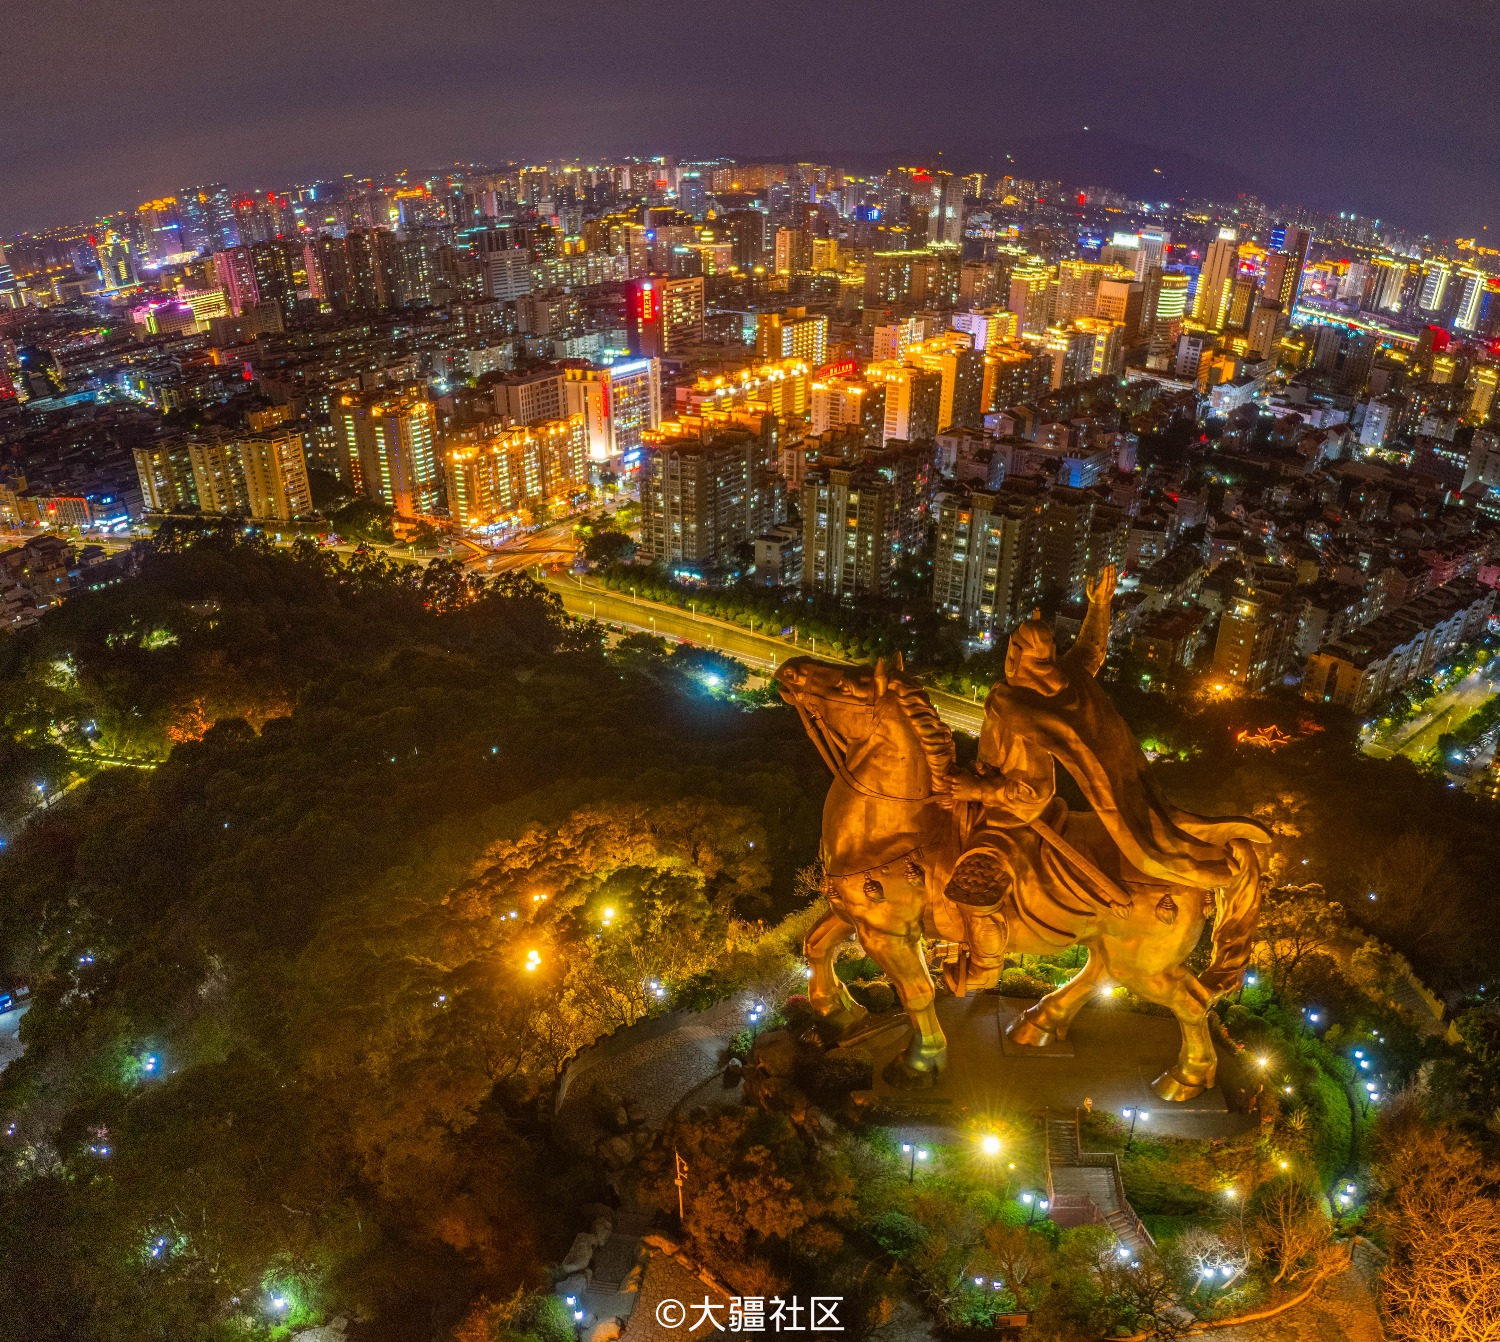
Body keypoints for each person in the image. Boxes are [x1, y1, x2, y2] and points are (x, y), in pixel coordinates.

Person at [944, 566, 1268, 966]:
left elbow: (1034, 792)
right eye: (1015, 648)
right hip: (985, 799)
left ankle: (984, 963)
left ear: (1024, 656)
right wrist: (1099, 606)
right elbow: (1090, 653)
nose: (1011, 658)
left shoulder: (1021, 707)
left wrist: (979, 790)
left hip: (1011, 819)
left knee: (977, 878)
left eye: (1017, 650)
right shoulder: (1058, 682)